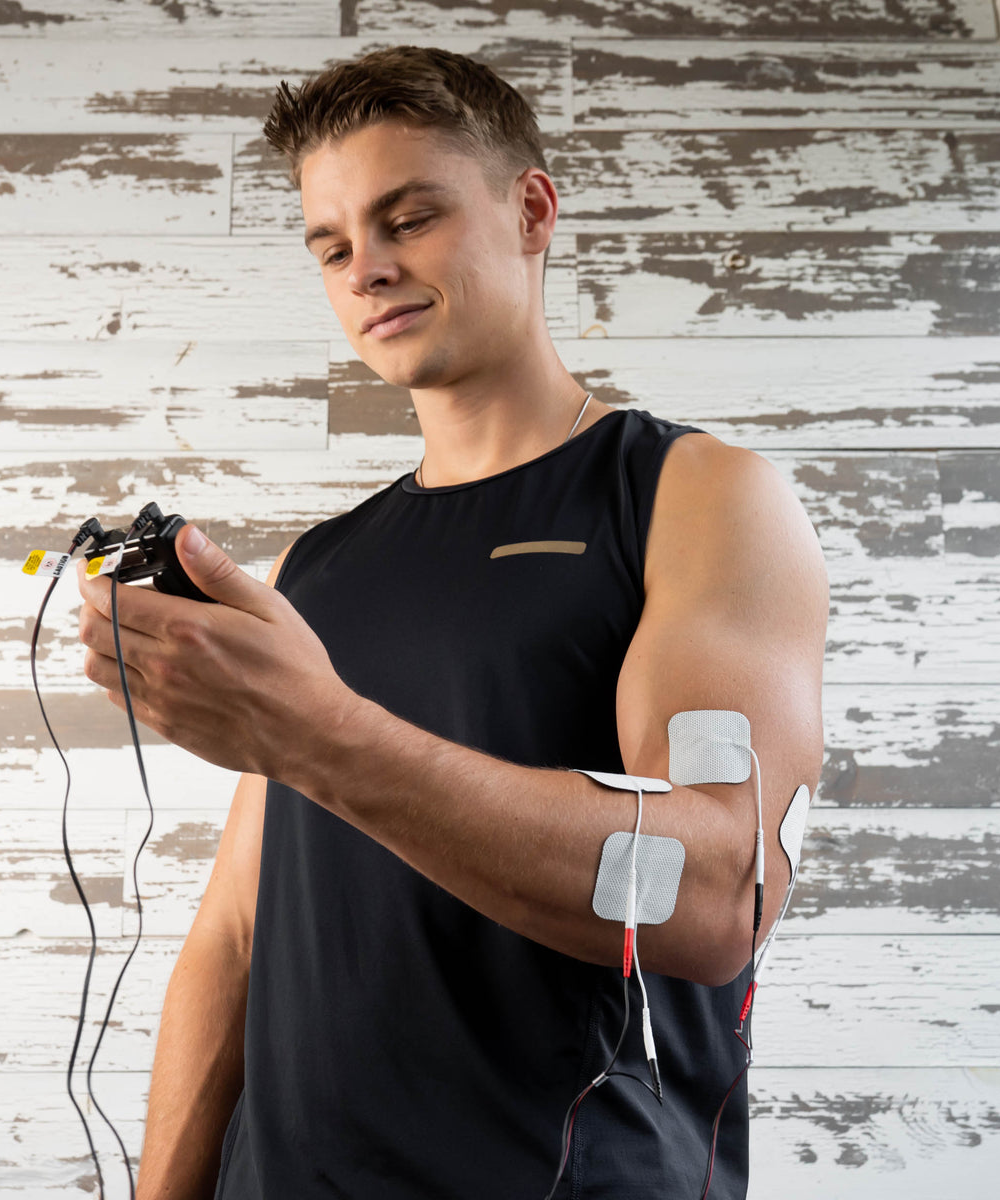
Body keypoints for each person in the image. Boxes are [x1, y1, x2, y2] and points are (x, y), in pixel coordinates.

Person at [76, 45, 828, 1200]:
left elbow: (718, 889)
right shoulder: (315, 568)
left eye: (407, 218)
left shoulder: (695, 498)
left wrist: (321, 733)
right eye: (331, 246)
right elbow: (233, 940)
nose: (366, 269)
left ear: (530, 210)